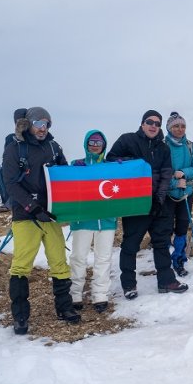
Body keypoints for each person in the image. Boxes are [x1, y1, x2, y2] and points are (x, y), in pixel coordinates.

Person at [2, 107, 80, 335]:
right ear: (28, 124)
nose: (42, 128)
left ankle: (64, 308)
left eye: (46, 123)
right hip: (26, 215)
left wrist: (77, 173)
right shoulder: (14, 148)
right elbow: (11, 184)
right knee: (21, 265)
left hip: (51, 214)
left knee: (58, 261)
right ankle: (20, 316)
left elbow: (64, 175)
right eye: (38, 122)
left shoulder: (53, 147)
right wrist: (32, 207)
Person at [106, 110, 188, 298]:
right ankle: (129, 285)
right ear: (142, 123)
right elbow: (111, 159)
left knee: (161, 242)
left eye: (157, 123)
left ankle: (166, 281)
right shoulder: (128, 140)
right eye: (150, 122)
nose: (153, 126)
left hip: (159, 203)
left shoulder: (163, 147)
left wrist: (159, 199)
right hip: (135, 203)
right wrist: (134, 163)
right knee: (130, 245)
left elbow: (167, 173)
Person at [68, 130, 117, 313]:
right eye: (92, 141)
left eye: (99, 142)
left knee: (103, 258)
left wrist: (121, 170)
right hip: (83, 220)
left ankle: (100, 295)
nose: (95, 145)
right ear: (86, 144)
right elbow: (68, 187)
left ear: (104, 145)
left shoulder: (111, 167)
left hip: (106, 220)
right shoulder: (77, 165)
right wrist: (73, 171)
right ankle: (75, 294)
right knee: (79, 257)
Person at [164, 112, 193, 277]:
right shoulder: (162, 146)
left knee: (181, 227)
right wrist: (173, 180)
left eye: (182, 126)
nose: (180, 129)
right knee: (164, 229)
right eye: (176, 126)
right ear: (169, 128)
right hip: (165, 194)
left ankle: (178, 260)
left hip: (185, 194)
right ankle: (164, 262)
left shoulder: (190, 146)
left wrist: (183, 173)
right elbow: (157, 170)